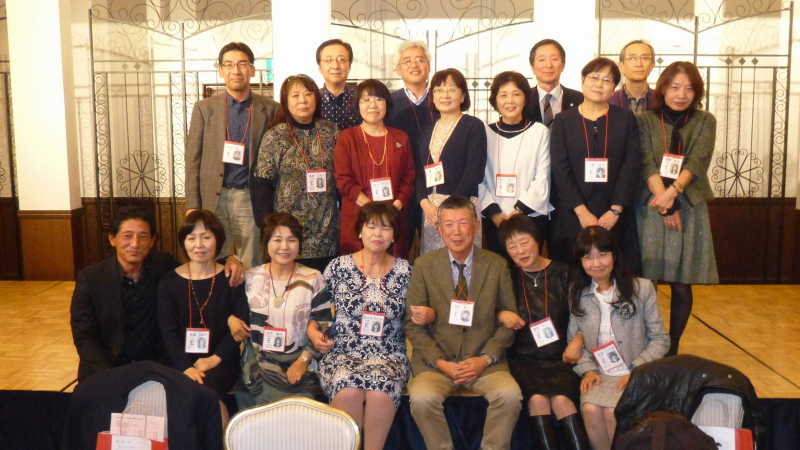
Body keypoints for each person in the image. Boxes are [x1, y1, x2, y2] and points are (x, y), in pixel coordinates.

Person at [405, 196, 522, 450]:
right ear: (439, 229)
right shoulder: (423, 266)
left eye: (463, 223)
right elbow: (413, 325)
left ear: (476, 225)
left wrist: (484, 359)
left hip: (485, 363)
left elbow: (509, 321)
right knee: (422, 398)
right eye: (449, 224)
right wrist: (440, 362)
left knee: (510, 396)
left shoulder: (497, 265)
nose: (456, 232)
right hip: (438, 364)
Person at [307, 202, 414, 450]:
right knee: (347, 390)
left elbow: (412, 318)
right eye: (371, 226)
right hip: (343, 351)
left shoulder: (405, 271)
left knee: (380, 392)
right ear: (359, 231)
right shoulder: (338, 267)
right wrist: (313, 331)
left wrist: (424, 315)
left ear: (394, 235)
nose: (377, 234)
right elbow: (317, 311)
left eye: (385, 228)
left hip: (388, 353)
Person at [635, 61, 719, 355]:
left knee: (681, 282)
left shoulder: (705, 121)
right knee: (646, 281)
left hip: (689, 205)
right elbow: (645, 161)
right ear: (663, 89)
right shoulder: (645, 119)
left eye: (689, 88)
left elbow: (698, 160)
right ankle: (647, 343)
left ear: (697, 92)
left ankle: (673, 347)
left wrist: (673, 194)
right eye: (674, 87)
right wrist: (664, 201)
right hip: (651, 205)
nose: (681, 94)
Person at [566, 226, 669, 450]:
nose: (596, 263)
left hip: (636, 372)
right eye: (588, 257)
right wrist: (588, 370)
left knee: (613, 412)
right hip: (600, 373)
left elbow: (660, 339)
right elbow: (574, 340)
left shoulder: (642, 288)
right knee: (590, 409)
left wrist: (636, 370)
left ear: (614, 255)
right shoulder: (577, 292)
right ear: (580, 262)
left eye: (602, 254)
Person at [494, 215, 590, 450]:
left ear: (537, 240)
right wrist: (501, 314)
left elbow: (585, 313)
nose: (519, 251)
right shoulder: (507, 277)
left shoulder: (566, 272)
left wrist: (579, 338)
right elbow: (489, 310)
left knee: (562, 400)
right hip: (524, 359)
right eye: (512, 246)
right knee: (537, 400)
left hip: (561, 358)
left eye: (524, 242)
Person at [185, 42, 280, 268]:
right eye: (228, 64)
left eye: (242, 64)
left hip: (249, 196)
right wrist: (192, 203)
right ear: (220, 70)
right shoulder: (204, 108)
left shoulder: (271, 109)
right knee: (214, 257)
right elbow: (192, 159)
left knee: (252, 260)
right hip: (213, 196)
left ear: (252, 70)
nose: (235, 70)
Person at [549, 57, 642, 274]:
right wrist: (581, 211)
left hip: (614, 214)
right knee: (573, 274)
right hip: (573, 213)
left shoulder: (626, 119)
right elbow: (560, 169)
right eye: (594, 77)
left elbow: (631, 165)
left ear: (614, 87)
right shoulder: (563, 120)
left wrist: (616, 210)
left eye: (607, 80)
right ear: (583, 81)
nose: (599, 84)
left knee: (616, 274)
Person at [157, 210, 248, 424]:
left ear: (218, 240)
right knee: (182, 391)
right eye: (191, 238)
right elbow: (168, 332)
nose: (199, 245)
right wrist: (185, 367)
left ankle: (219, 439)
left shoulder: (230, 277)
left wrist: (213, 359)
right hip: (179, 360)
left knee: (207, 393)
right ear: (183, 242)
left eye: (206, 237)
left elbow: (241, 327)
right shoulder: (169, 282)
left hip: (221, 360)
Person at [70, 209, 178, 382]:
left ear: (152, 241)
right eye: (127, 236)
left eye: (143, 236)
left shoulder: (165, 267)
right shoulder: (91, 278)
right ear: (112, 239)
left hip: (155, 369)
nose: (135, 244)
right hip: (105, 369)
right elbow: (84, 336)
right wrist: (111, 376)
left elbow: (198, 271)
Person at [236, 213, 325, 408]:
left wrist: (304, 360)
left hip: (300, 365)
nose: (284, 246)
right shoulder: (250, 278)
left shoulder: (313, 278)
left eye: (291, 240)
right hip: (258, 366)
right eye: (277, 240)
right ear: (266, 243)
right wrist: (230, 319)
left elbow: (324, 323)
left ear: (299, 244)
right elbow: (235, 312)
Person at [252, 74, 339, 273]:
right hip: (288, 233)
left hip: (327, 230)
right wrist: (268, 227)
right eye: (295, 95)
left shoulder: (331, 131)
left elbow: (342, 175)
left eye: (308, 94)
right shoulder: (275, 135)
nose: (303, 100)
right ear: (285, 101)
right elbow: (261, 184)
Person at [334, 79, 415, 257]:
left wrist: (396, 206)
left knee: (392, 267)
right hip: (359, 216)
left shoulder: (400, 137)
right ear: (357, 105)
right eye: (366, 100)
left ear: (387, 104)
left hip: (394, 216)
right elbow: (343, 180)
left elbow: (409, 177)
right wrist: (371, 210)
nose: (373, 105)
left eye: (379, 99)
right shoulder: (347, 138)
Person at [479, 71, 552, 256]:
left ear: (525, 98)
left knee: (528, 266)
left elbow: (543, 177)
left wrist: (519, 211)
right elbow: (478, 178)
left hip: (530, 216)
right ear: (495, 100)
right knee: (498, 268)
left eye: (516, 94)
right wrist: (495, 213)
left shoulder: (540, 132)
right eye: (503, 95)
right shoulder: (484, 133)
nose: (510, 101)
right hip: (495, 219)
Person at [416, 68, 487, 254]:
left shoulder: (473, 126)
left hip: (461, 207)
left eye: (451, 89)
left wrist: (448, 209)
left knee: (463, 260)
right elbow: (419, 172)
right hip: (431, 210)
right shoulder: (427, 129)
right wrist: (424, 203)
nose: (445, 95)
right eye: (439, 90)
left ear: (462, 96)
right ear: (432, 96)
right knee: (435, 262)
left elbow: (474, 172)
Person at [523, 39, 584, 126]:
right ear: (532, 67)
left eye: (554, 59)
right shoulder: (523, 99)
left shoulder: (580, 100)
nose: (548, 65)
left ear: (563, 65)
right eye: (542, 60)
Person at [316, 39, 360, 129]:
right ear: (320, 67)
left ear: (349, 66)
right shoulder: (312, 99)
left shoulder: (362, 97)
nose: (335, 66)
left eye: (341, 60)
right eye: (328, 60)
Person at [610, 40, 656, 113]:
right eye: (632, 58)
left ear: (652, 65)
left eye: (645, 58)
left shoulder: (662, 101)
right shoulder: (609, 101)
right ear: (621, 66)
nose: (639, 64)